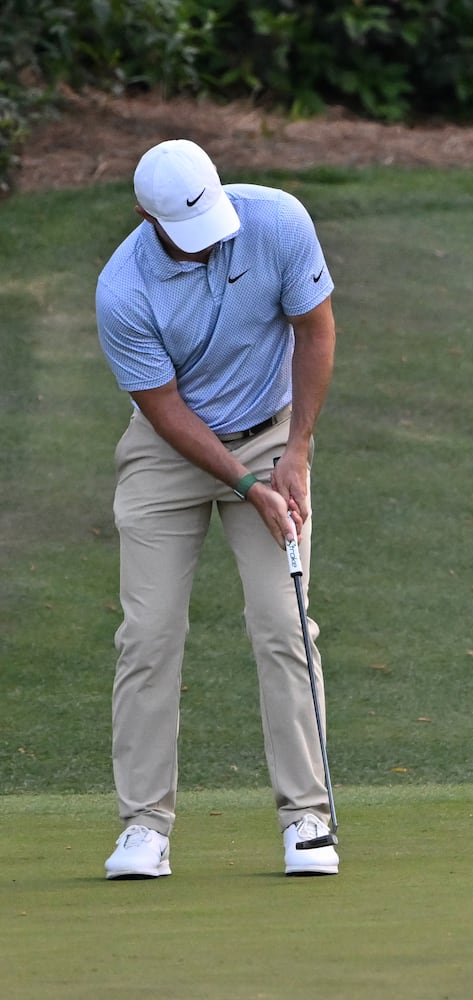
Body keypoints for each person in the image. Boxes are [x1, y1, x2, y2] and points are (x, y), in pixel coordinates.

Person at [95, 138, 339, 878]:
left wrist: (295, 451)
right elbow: (165, 411)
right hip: (169, 455)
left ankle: (307, 820)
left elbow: (315, 329)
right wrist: (245, 486)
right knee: (148, 634)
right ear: (147, 215)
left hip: (271, 435)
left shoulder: (277, 221)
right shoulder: (123, 290)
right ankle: (144, 828)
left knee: (284, 624)